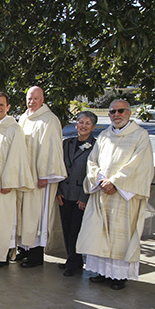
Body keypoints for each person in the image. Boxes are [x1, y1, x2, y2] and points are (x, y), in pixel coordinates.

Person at [76, 100, 154, 290]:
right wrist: (101, 180)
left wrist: (116, 182)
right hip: (102, 192)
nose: (116, 115)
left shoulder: (140, 135)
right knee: (100, 234)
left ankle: (118, 277)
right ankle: (102, 272)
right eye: (112, 112)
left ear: (129, 113)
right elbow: (92, 161)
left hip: (122, 196)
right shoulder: (104, 135)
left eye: (120, 111)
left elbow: (140, 165)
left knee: (120, 236)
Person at [0, 92, 34, 268]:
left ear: (8, 107)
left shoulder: (14, 129)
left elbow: (16, 157)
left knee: (3, 220)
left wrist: (8, 182)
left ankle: (1, 257)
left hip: (4, 184)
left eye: (1, 105)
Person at [17, 86, 67, 268]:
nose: (32, 102)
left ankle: (36, 256)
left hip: (39, 178)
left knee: (36, 215)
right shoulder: (23, 118)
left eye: (36, 98)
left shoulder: (49, 120)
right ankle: (23, 249)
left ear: (42, 99)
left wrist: (45, 175)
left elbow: (52, 149)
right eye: (29, 98)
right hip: (24, 177)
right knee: (23, 213)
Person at [56, 111, 97, 276]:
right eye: (81, 122)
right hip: (65, 193)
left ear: (93, 127)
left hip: (81, 194)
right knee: (66, 229)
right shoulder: (67, 143)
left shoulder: (96, 146)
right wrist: (58, 191)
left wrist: (84, 197)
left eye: (88, 123)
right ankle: (71, 258)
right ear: (76, 124)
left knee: (76, 230)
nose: (83, 126)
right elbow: (59, 167)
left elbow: (93, 173)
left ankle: (75, 262)